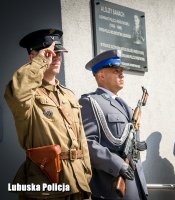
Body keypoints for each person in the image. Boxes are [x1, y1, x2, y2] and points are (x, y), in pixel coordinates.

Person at [4, 29, 92, 199]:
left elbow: (82, 139)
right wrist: (40, 62)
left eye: (58, 52)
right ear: (33, 57)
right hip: (47, 185)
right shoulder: (27, 94)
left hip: (78, 181)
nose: (56, 57)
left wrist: (86, 172)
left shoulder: (68, 95)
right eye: (49, 53)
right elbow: (19, 92)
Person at [79, 49, 148, 200]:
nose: (122, 74)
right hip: (111, 186)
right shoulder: (90, 102)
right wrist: (117, 164)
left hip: (136, 183)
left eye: (122, 70)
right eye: (116, 70)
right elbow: (87, 143)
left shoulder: (125, 106)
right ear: (101, 75)